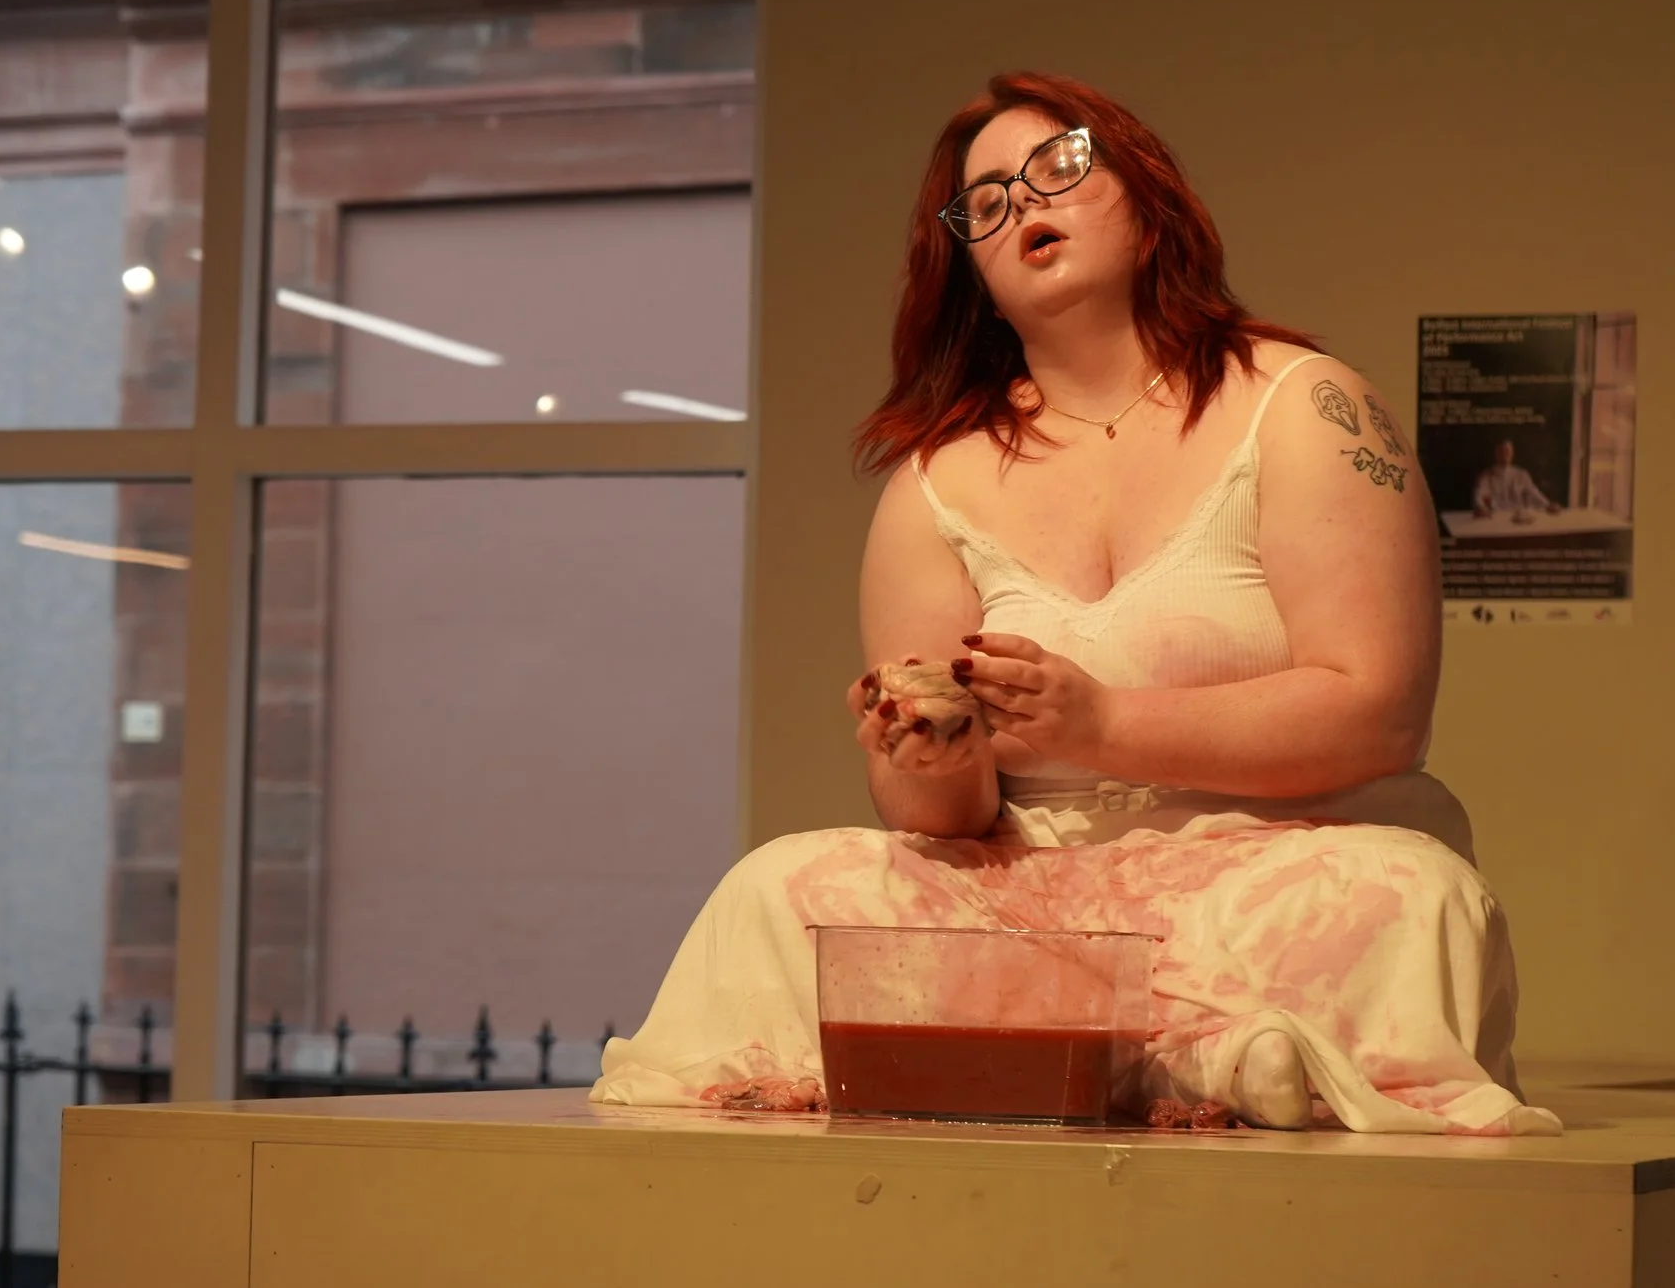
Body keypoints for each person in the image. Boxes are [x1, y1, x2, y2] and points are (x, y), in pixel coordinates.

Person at [591, 71, 1557, 1134]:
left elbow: (1378, 711)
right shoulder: (935, 479)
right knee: (780, 883)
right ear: (972, 274)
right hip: (1030, 895)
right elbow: (940, 824)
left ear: (1149, 205)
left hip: (1268, 863)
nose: (1025, 204)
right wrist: (928, 753)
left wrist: (1105, 723)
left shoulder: (1303, 405)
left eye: (1058, 166)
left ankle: (1156, 1054)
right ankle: (1203, 1058)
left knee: (1405, 893)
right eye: (988, 202)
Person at [1471, 438, 1560, 520]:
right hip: (1495, 519)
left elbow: (1534, 493)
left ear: (1512, 453)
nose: (1505, 454)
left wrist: (1547, 505)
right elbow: (1479, 495)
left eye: (1508, 451)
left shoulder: (1521, 474)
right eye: (1502, 451)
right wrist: (1481, 507)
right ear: (1496, 453)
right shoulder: (1486, 476)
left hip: (1517, 519)